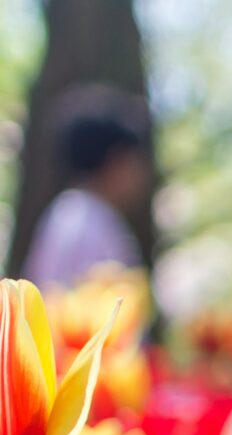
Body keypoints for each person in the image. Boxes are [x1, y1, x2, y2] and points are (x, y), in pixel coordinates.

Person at [21, 91, 150, 289]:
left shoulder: (62, 213)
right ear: (115, 161)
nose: (142, 174)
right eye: (135, 162)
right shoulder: (95, 224)